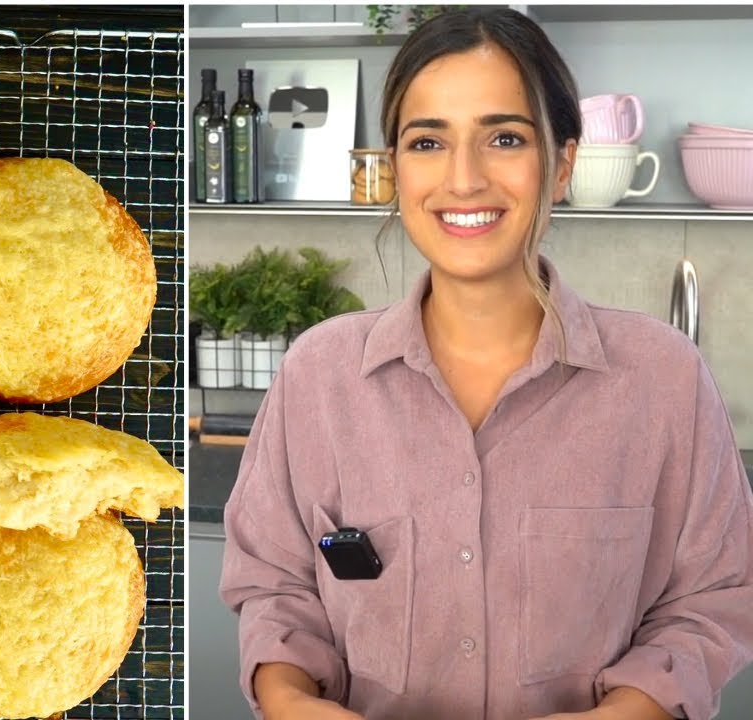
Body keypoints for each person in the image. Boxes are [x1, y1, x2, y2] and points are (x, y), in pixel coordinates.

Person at [218, 7, 753, 720]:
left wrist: (632, 709)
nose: (463, 179)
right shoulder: (318, 376)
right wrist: (287, 698)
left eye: (504, 138)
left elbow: (711, 599)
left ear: (562, 164)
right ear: (395, 169)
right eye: (428, 141)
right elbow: (273, 586)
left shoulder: (666, 380)